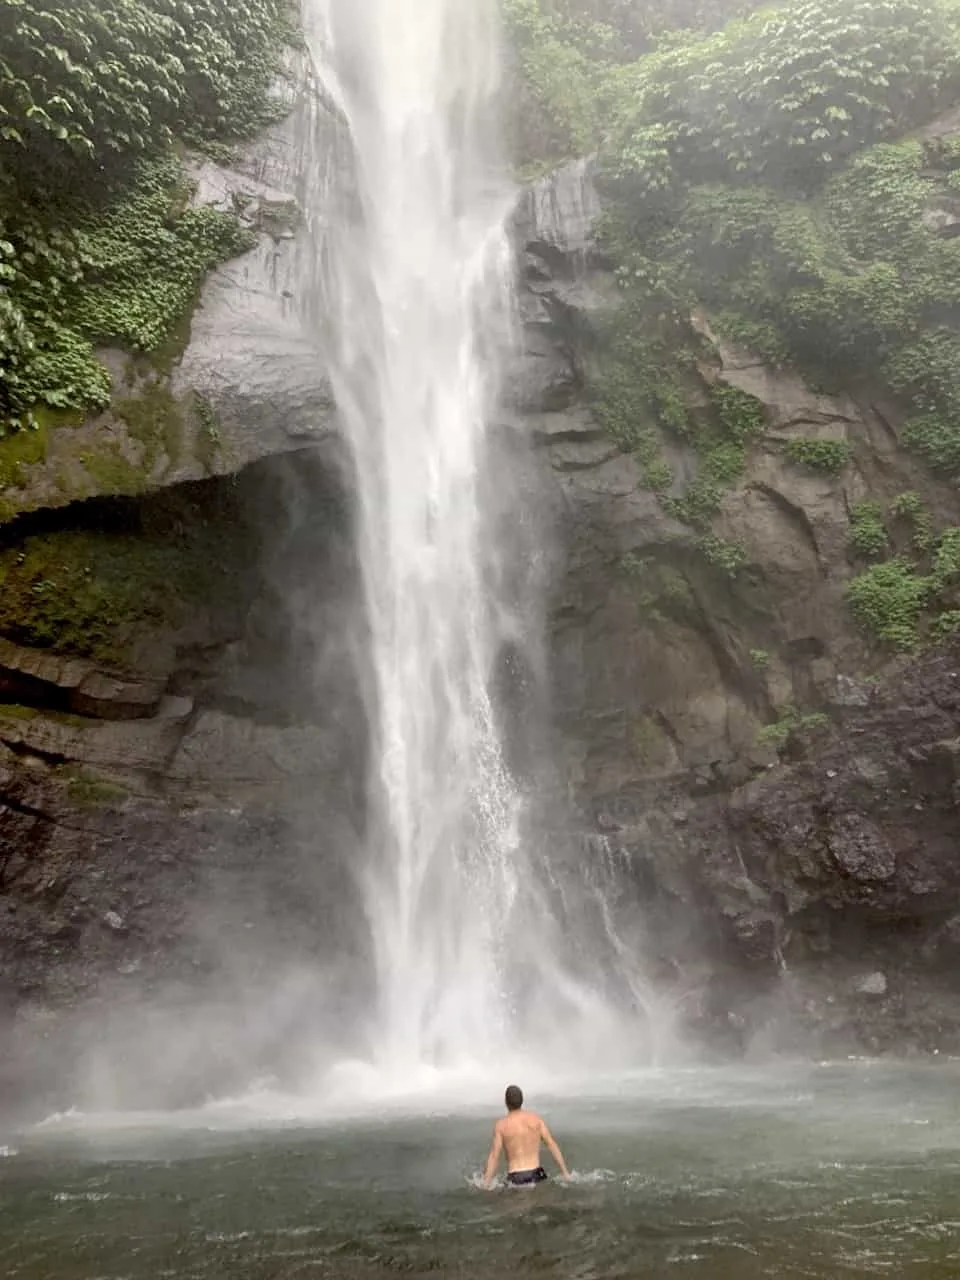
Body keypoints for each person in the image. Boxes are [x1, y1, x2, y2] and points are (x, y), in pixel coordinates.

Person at [482, 1084, 571, 1187]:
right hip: (537, 1174)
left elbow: (494, 1156)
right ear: (522, 1101)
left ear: (506, 1102)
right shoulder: (536, 1120)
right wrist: (565, 1173)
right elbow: (551, 1144)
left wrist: (486, 1183)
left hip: (516, 1178)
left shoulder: (501, 1126)